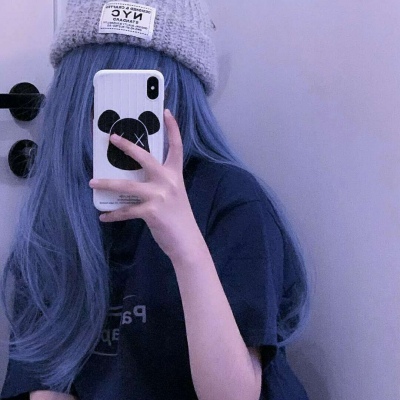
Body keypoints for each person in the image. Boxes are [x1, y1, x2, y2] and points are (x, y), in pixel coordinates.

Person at [0, 0, 310, 399]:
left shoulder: (231, 200)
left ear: (177, 99)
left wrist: (187, 249)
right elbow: (35, 377)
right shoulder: (56, 213)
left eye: (140, 94)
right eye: (104, 94)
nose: (122, 125)